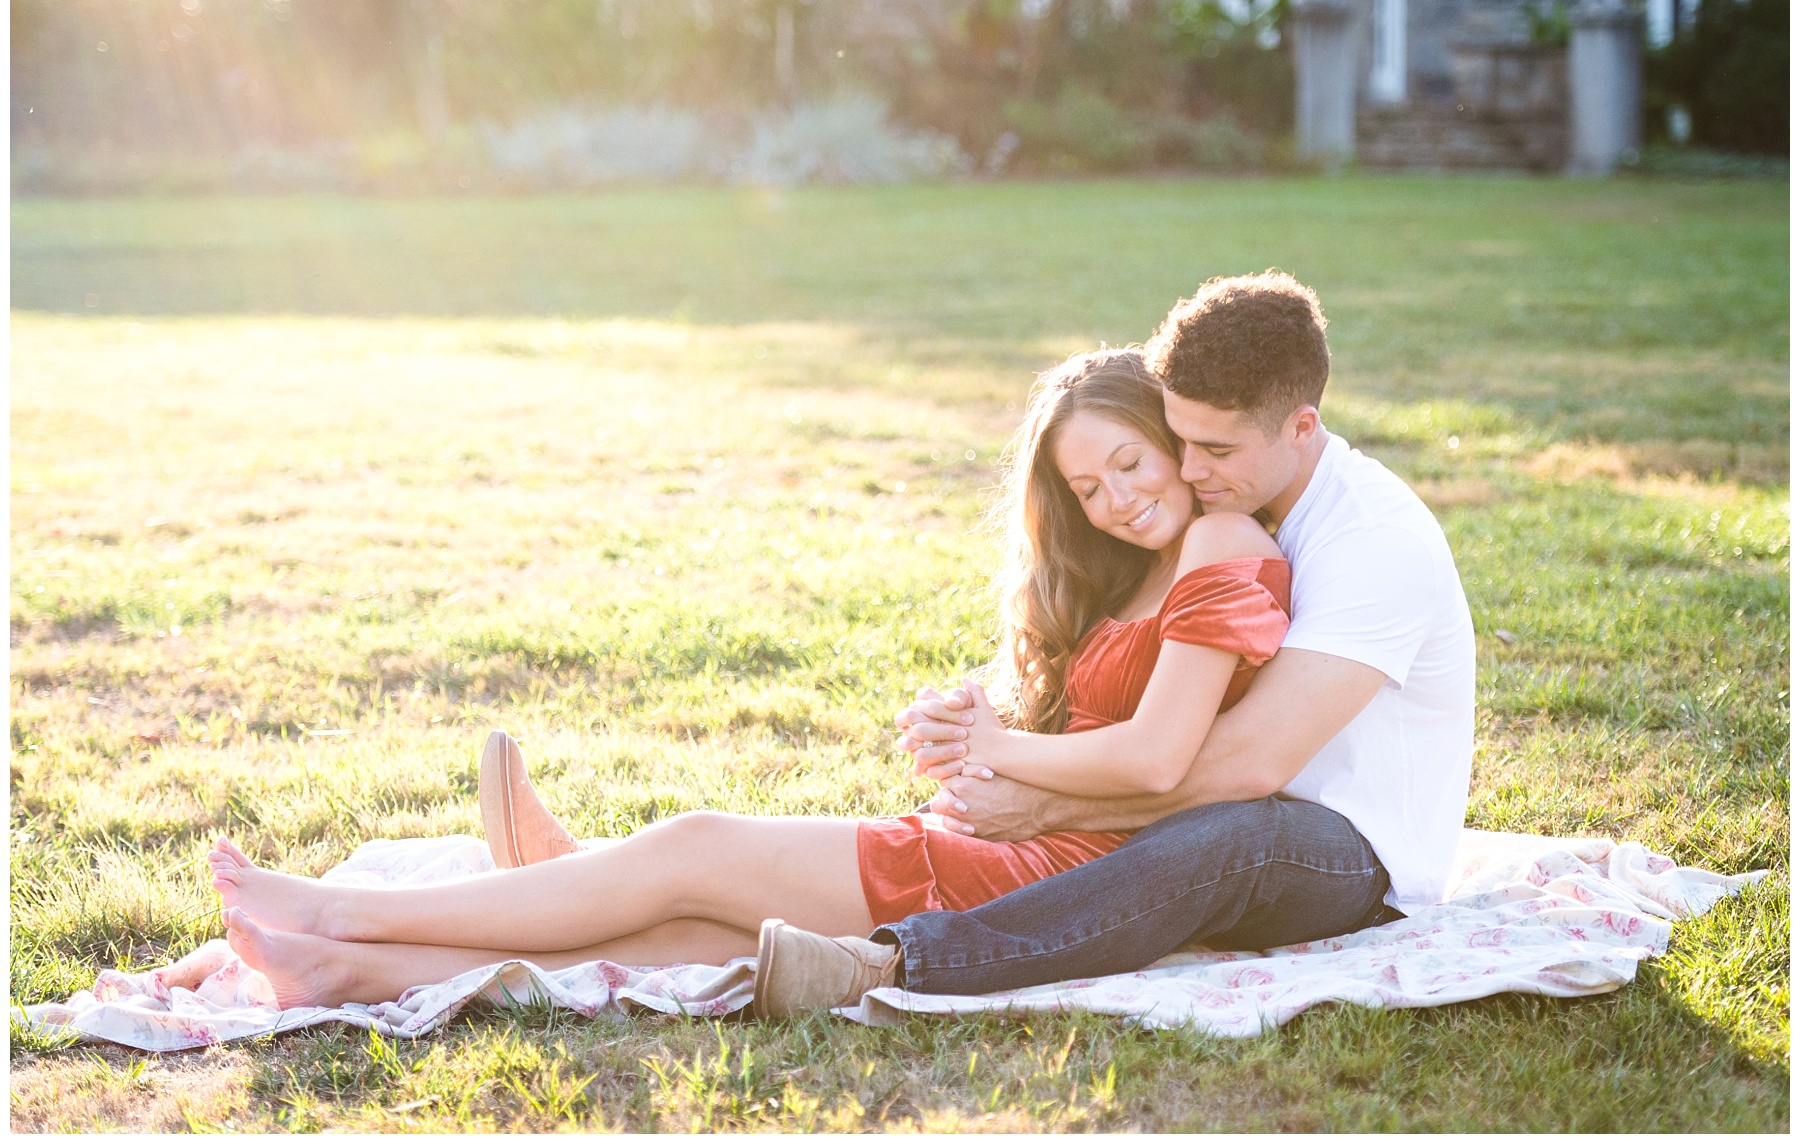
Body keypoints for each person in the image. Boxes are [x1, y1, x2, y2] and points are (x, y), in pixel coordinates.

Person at [202, 346, 1293, 1011]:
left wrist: (999, 752)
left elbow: (1160, 752)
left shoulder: (1222, 539)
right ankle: (346, 969)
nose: (1112, 500)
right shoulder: (1143, 566)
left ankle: (345, 908)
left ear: (1175, 441)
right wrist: (984, 720)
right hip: (1039, 840)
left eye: (1130, 464)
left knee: (698, 846)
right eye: (1085, 485)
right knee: (696, 937)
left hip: (1068, 872)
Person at [753, 270, 1476, 1016]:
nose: (1192, 470)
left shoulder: (1374, 538)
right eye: (1180, 441)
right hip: (1214, 813)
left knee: (1237, 835)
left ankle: (901, 964)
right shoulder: (1239, 510)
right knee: (1211, 830)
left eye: (1217, 450)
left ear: (1300, 425)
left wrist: (1045, 807)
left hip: (1348, 856)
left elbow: (1250, 762)